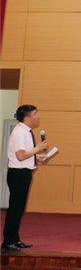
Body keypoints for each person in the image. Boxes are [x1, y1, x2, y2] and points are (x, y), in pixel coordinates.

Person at [2, 105, 48, 253]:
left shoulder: (25, 131)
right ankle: (8, 242)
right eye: (35, 114)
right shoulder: (20, 132)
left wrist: (36, 156)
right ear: (27, 117)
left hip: (23, 173)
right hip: (18, 174)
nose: (37, 117)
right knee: (15, 209)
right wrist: (38, 148)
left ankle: (14, 239)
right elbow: (20, 156)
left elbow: (25, 154)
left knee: (19, 209)